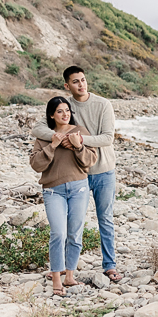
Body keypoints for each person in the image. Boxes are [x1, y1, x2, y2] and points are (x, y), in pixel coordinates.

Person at [31, 66, 122, 282]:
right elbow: (37, 129)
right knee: (68, 224)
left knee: (105, 218)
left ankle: (109, 265)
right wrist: (59, 137)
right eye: (75, 81)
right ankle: (61, 267)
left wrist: (78, 139)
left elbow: (107, 138)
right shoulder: (65, 106)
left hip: (102, 169)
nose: (81, 84)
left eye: (83, 80)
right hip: (74, 173)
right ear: (67, 85)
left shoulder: (102, 104)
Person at [30, 97, 98, 296]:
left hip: (79, 188)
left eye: (67, 110)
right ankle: (56, 279)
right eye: (59, 111)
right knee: (58, 233)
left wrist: (78, 146)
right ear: (52, 115)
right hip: (53, 190)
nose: (65, 114)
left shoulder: (80, 132)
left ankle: (70, 276)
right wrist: (52, 146)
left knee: (75, 233)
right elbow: (36, 165)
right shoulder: (44, 137)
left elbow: (91, 161)